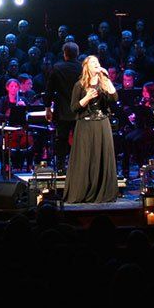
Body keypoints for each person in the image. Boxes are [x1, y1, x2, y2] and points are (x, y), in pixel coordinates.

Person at [64, 55, 119, 204]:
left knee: (102, 157)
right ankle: (84, 192)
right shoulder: (79, 85)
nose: (96, 64)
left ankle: (104, 192)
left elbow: (114, 98)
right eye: (93, 62)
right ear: (86, 66)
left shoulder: (104, 83)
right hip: (85, 125)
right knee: (86, 158)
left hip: (102, 123)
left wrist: (107, 79)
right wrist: (87, 97)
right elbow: (74, 108)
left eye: (98, 62)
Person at [46, 42, 82, 171]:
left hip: (62, 110)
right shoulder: (82, 68)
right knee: (80, 139)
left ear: (64, 54)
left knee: (61, 139)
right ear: (77, 54)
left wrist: (47, 108)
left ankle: (61, 166)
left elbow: (49, 90)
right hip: (80, 110)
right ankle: (79, 166)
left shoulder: (57, 68)